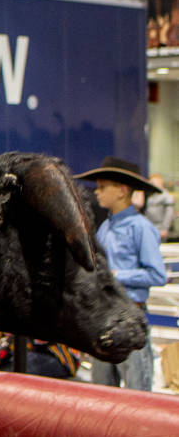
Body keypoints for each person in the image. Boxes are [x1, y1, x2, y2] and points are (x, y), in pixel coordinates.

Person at [75, 157, 167, 390]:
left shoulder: (141, 227)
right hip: (103, 318)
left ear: (122, 191)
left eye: (103, 187)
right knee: (102, 390)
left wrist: (114, 276)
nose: (97, 192)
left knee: (138, 392)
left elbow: (157, 275)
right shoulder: (106, 227)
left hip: (130, 316)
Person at [144, 173, 174, 241]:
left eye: (153, 182)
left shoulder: (166, 196)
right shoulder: (151, 195)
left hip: (160, 228)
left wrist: (165, 229)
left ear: (160, 182)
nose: (151, 184)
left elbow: (169, 214)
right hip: (150, 227)